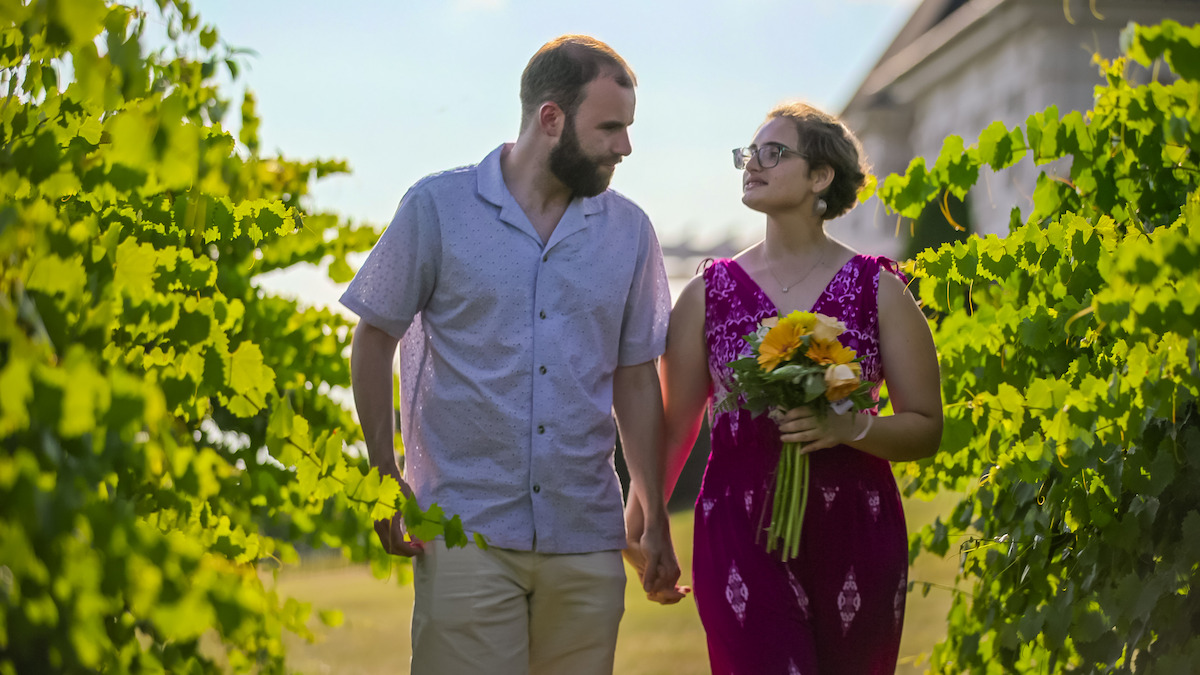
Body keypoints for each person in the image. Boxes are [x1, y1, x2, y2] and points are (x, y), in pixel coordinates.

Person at [341, 35, 681, 675]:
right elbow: (374, 335)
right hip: (465, 528)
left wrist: (653, 506)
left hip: (586, 533)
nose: (625, 147)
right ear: (551, 118)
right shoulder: (437, 207)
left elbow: (637, 378)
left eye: (628, 128)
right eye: (609, 127)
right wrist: (382, 470)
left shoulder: (630, 231)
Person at [625, 102, 943, 673]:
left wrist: (852, 426)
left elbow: (925, 427)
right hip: (738, 533)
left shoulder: (881, 290)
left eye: (774, 153)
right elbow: (675, 427)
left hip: (856, 531)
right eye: (750, 153)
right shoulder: (707, 292)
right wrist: (643, 527)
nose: (753, 164)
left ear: (821, 177)